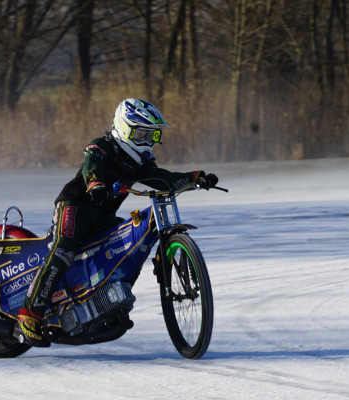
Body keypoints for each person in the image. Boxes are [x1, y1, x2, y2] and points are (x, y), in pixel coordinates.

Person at [17, 98, 220, 343]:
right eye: (142, 134)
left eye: (152, 136)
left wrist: (195, 178)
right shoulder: (101, 146)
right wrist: (96, 184)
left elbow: (163, 179)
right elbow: (91, 167)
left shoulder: (140, 163)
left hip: (102, 218)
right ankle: (28, 314)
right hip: (74, 206)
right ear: (124, 129)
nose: (147, 142)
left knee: (127, 248)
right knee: (63, 250)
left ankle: (105, 304)